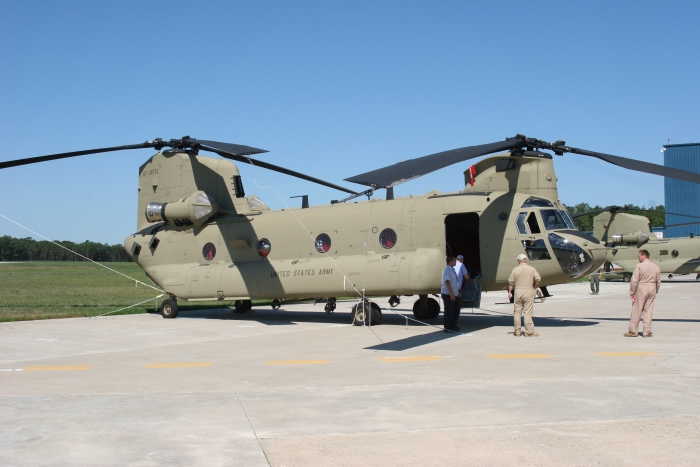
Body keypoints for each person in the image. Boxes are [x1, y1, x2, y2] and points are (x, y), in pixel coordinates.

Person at [625, 249, 661, 338]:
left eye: (639, 256)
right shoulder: (656, 267)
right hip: (652, 287)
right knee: (648, 310)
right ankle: (647, 332)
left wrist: (632, 292)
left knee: (637, 309)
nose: (638, 258)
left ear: (643, 256)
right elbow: (658, 281)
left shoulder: (639, 266)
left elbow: (634, 280)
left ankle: (633, 330)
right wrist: (656, 290)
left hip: (642, 287)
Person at [508, 253, 541, 337]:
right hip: (528, 290)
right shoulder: (531, 269)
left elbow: (511, 282)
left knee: (517, 312)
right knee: (528, 312)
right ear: (525, 260)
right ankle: (529, 332)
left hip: (518, 291)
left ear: (519, 261)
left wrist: (509, 292)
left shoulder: (515, 270)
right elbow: (538, 278)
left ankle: (517, 330)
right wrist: (534, 285)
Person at [441, 256, 459, 332]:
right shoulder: (447, 270)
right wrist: (451, 294)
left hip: (454, 294)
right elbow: (447, 282)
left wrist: (458, 292)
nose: (455, 262)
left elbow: (454, 282)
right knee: (449, 311)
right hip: (448, 294)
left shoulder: (453, 270)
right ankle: (448, 327)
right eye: (454, 261)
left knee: (456, 310)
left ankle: (453, 325)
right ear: (451, 262)